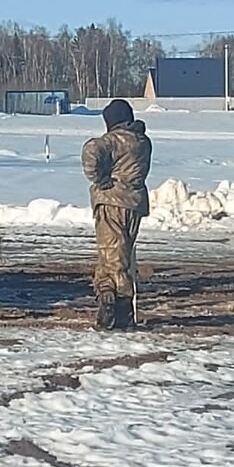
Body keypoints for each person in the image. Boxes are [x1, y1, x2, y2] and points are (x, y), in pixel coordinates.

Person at [81, 99, 152, 331]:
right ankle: (106, 295)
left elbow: (90, 151)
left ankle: (119, 305)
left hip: (111, 201)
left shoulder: (114, 141)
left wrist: (99, 179)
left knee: (113, 258)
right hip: (134, 204)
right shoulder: (142, 142)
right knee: (115, 254)